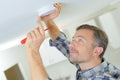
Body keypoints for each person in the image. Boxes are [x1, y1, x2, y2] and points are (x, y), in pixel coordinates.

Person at [25, 3, 120, 80]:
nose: (71, 45)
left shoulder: (103, 77)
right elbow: (60, 41)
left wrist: (32, 50)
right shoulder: (88, 62)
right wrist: (48, 20)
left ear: (96, 51)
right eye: (73, 39)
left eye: (80, 40)